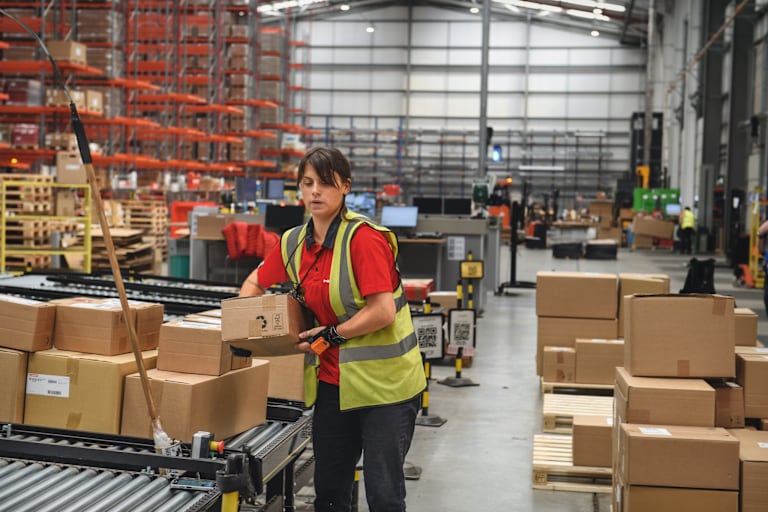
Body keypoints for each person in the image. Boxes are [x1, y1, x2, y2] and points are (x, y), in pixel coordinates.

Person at [240, 146, 426, 512]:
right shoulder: (293, 243)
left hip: (387, 389)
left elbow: (383, 311)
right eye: (307, 183)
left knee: (384, 494)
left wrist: (334, 334)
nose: (315, 191)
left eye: (325, 183)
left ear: (345, 187)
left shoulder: (364, 239)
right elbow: (254, 282)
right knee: (329, 493)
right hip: (334, 384)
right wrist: (245, 328)